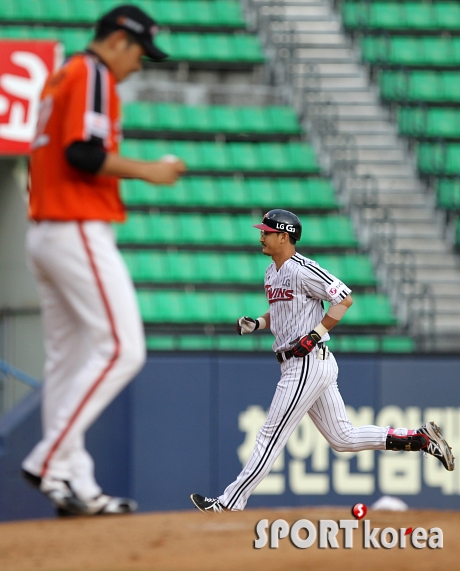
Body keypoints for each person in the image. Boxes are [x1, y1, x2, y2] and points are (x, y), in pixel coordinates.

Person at [22, 4, 186, 516]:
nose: (139, 65)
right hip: (74, 225)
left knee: (67, 363)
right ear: (118, 39)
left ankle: (74, 484)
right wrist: (148, 170)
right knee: (122, 349)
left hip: (45, 230)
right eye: (139, 52)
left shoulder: (60, 77)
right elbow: (83, 154)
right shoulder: (92, 72)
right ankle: (51, 459)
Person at [190, 209, 455, 513]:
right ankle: (419, 439)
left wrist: (315, 334)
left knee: (269, 435)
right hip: (303, 361)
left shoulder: (303, 268)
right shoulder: (270, 272)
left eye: (266, 231)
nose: (261, 235)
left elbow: (343, 298)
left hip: (307, 362)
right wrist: (258, 324)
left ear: (284, 236)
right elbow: (281, 314)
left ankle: (229, 503)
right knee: (343, 438)